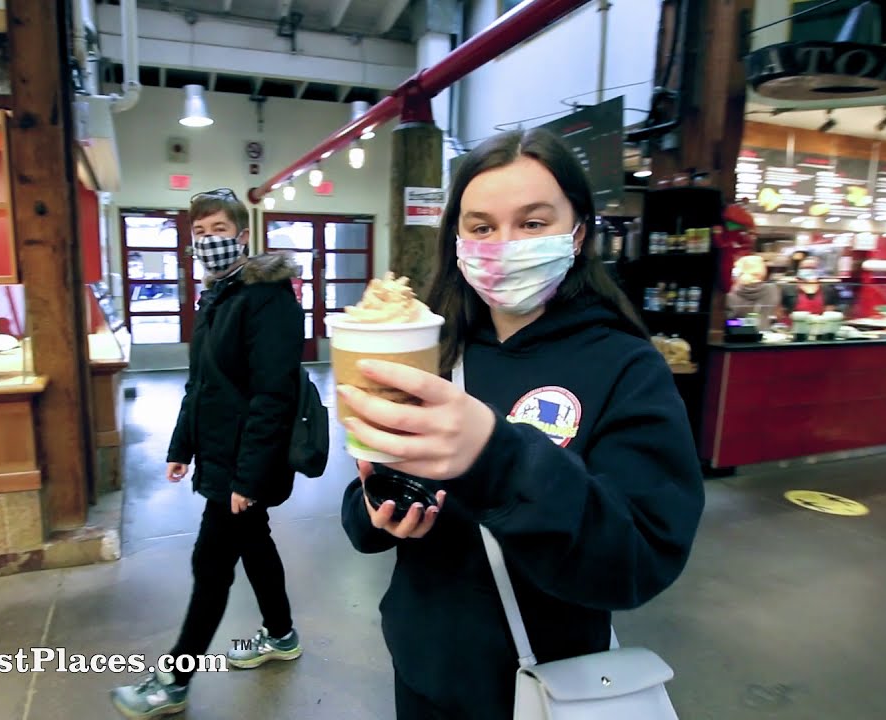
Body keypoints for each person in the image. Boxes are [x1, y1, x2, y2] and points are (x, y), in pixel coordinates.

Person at [337, 127, 705, 719]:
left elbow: (641, 557)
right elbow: (363, 507)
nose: (503, 245)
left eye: (533, 224)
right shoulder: (436, 353)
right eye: (481, 227)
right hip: (422, 671)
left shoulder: (626, 365)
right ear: (455, 237)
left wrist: (496, 458)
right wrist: (380, 510)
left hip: (542, 687)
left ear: (578, 231)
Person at [112, 188, 305, 719]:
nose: (208, 241)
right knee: (254, 542)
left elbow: (273, 395)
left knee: (210, 563)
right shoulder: (217, 294)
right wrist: (182, 445)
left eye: (218, 230)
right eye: (198, 233)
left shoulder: (267, 298)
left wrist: (247, 478)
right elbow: (202, 383)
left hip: (245, 460)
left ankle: (174, 682)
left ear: (242, 235)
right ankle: (282, 634)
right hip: (220, 452)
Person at [726, 254, 781, 329]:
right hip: (763, 335)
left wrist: (745, 322)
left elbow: (728, 322)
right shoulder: (772, 289)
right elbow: (774, 315)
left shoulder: (732, 292)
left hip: (737, 336)